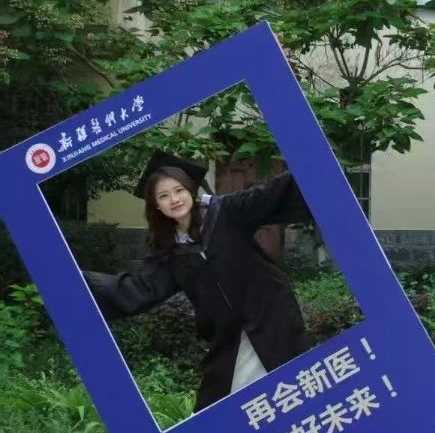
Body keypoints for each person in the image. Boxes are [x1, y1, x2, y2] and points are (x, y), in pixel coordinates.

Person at [83, 151, 314, 412]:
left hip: (272, 320)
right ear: (156, 205)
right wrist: (80, 284)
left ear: (191, 190)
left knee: (293, 396)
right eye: (163, 196)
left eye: (179, 190)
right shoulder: (168, 251)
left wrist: (312, 162)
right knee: (217, 410)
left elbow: (268, 196)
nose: (174, 199)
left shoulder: (225, 212)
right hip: (228, 339)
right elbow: (139, 289)